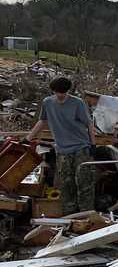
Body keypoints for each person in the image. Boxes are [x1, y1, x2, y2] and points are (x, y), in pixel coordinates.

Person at [25, 77, 97, 214]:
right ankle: (69, 214)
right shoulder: (48, 102)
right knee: (66, 183)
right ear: (53, 91)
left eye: (63, 92)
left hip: (80, 146)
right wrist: (28, 138)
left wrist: (93, 144)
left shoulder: (77, 103)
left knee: (84, 182)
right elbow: (42, 121)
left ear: (68, 91)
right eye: (58, 92)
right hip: (62, 149)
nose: (60, 95)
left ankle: (87, 213)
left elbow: (88, 123)